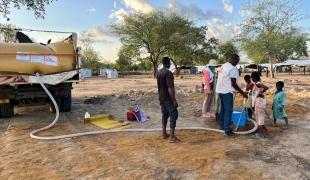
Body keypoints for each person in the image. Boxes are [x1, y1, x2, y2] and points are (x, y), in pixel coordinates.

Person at [216, 54, 248, 136]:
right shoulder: (232, 68)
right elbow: (233, 84)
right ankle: (227, 130)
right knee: (228, 111)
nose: (237, 62)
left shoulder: (224, 65)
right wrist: (242, 93)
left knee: (223, 109)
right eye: (237, 61)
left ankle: (222, 125)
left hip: (220, 90)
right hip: (227, 92)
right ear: (234, 60)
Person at [157, 57, 179, 143]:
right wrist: (174, 100)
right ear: (168, 63)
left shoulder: (159, 72)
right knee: (174, 114)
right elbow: (170, 87)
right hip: (167, 98)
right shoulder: (168, 73)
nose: (170, 64)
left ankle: (164, 133)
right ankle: (172, 137)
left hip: (161, 97)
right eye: (170, 63)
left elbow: (159, 87)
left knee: (165, 114)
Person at [251, 71, 269, 138]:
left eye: (252, 78)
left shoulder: (258, 83)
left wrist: (260, 93)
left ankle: (261, 134)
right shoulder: (258, 82)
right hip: (259, 102)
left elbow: (266, 88)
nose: (251, 79)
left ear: (253, 77)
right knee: (259, 117)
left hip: (259, 102)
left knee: (260, 118)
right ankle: (265, 130)